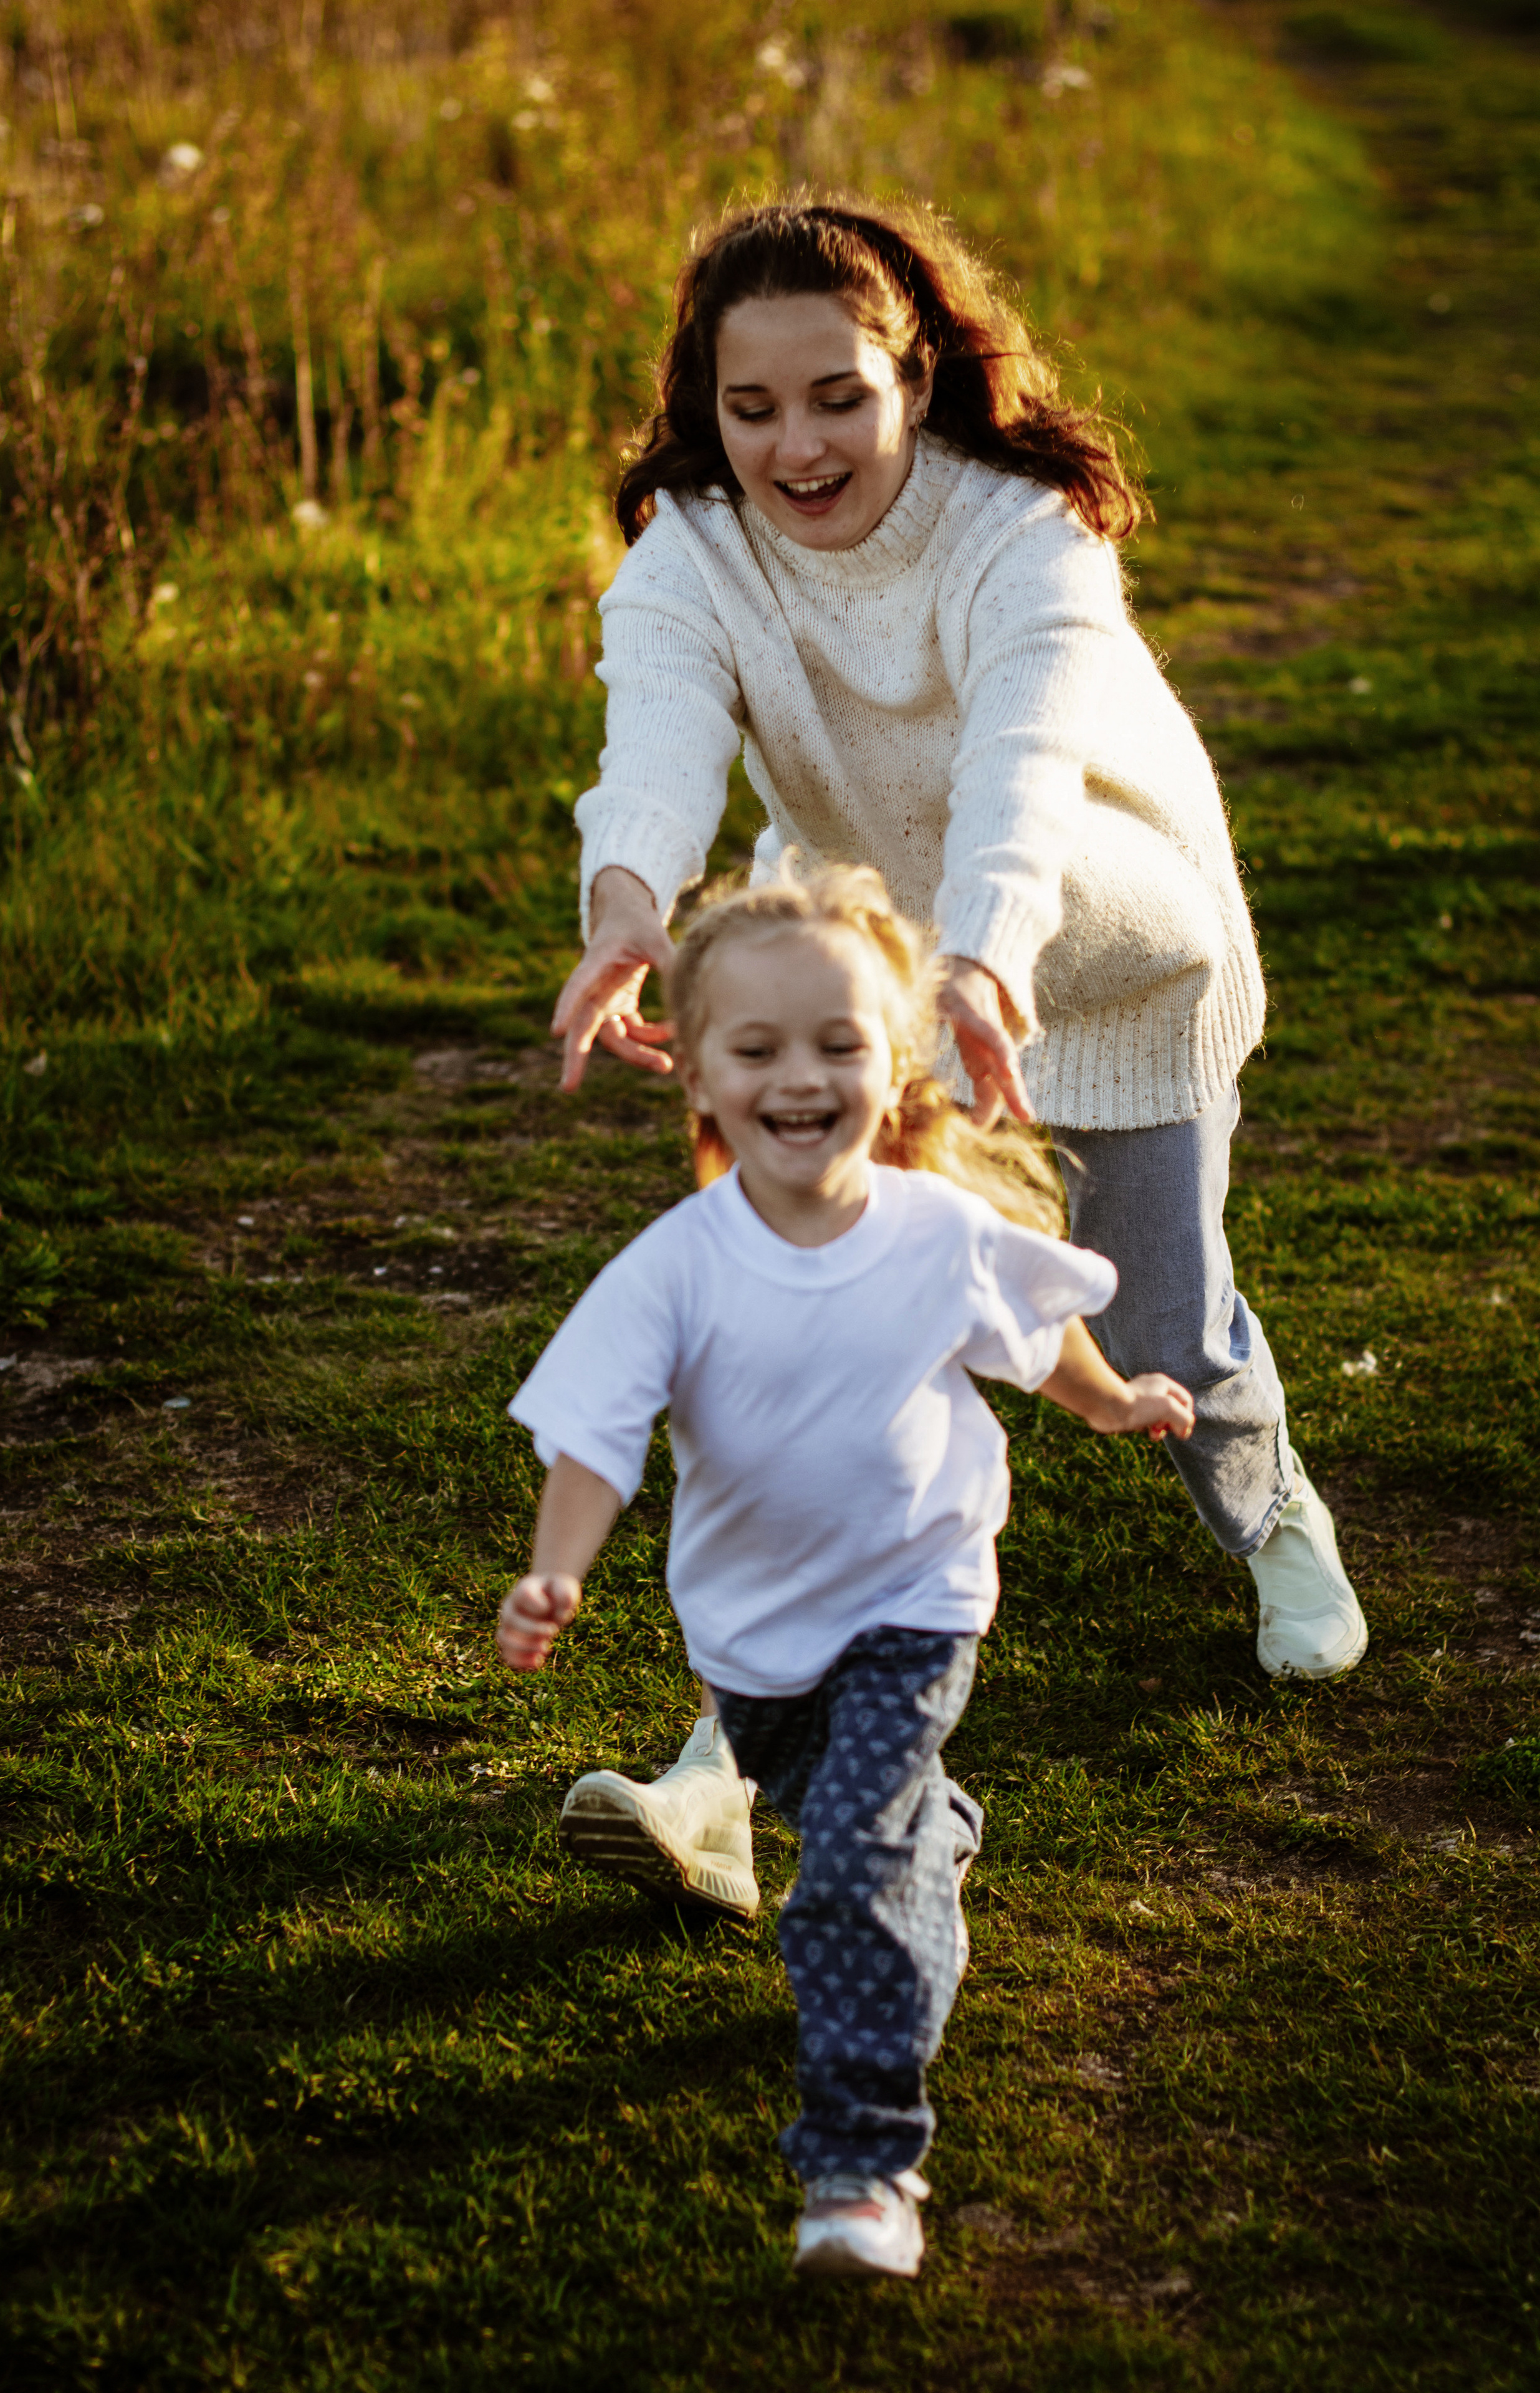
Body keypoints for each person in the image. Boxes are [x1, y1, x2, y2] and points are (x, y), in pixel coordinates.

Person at [548, 196, 1368, 1927]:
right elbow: (660, 745)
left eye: (837, 397)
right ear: (706, 401)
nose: (795, 446)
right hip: (851, 973)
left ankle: (1267, 1499)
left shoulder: (1029, 533)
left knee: (1156, 1332)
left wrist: (987, 954)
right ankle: (725, 1776)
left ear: (916, 375)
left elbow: (1024, 771)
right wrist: (629, 909)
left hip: (1100, 944)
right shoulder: (694, 549)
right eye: (751, 406)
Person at [497, 867, 1195, 2278]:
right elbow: (590, 1436)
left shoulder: (934, 1233)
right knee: (854, 1815)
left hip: (914, 1599)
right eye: (757, 1050)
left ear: (893, 1065)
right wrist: (554, 1574)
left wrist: (1112, 1400)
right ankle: (930, 1836)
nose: (799, 1077)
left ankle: (861, 2164)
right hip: (750, 1641)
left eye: (836, 1044)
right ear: (695, 1072)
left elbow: (1033, 1332)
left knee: (844, 1880)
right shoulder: (673, 1269)